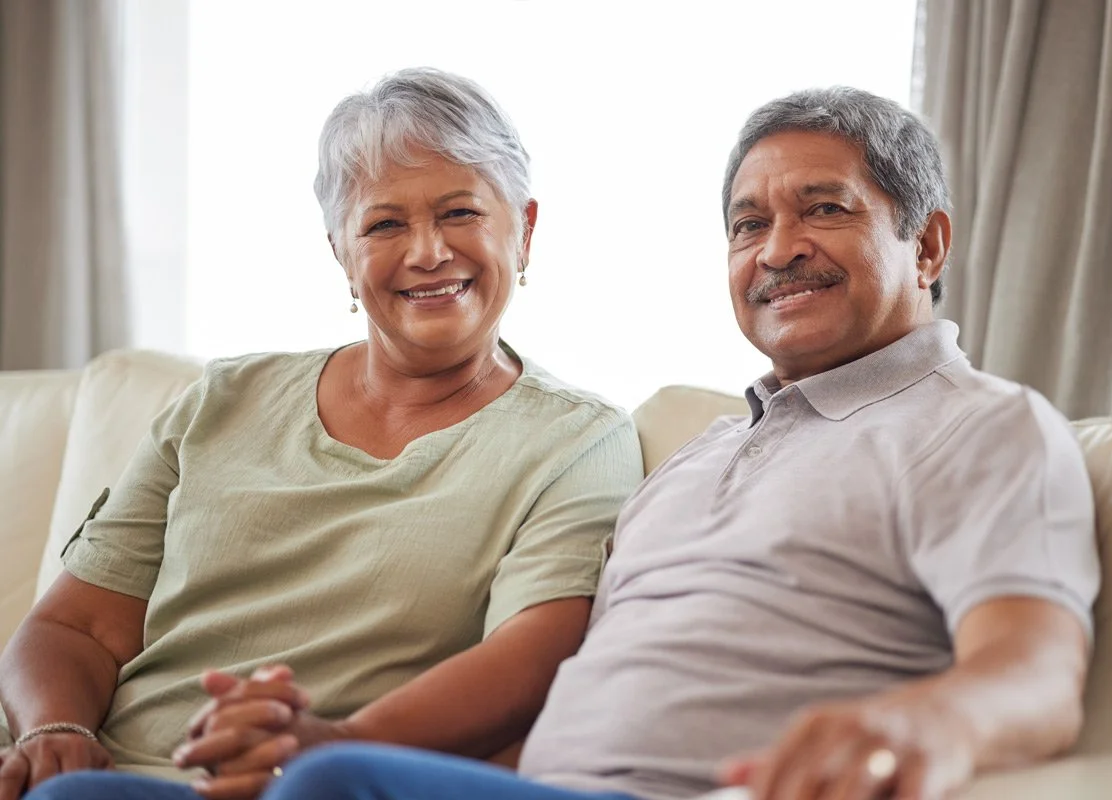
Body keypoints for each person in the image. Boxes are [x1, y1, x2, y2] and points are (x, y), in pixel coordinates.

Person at [246, 86, 1100, 800]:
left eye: (824, 209)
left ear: (929, 245)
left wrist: (926, 723)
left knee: (335, 787)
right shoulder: (698, 455)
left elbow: (1037, 673)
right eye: (746, 223)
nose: (778, 249)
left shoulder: (980, 424)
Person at [0, 68, 644, 800]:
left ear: (524, 229)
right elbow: (78, 627)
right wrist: (54, 733)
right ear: (341, 252)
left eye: (461, 213)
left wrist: (326, 746)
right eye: (384, 224)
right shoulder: (221, 400)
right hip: (108, 770)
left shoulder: (576, 442)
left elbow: (529, 659)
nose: (428, 251)